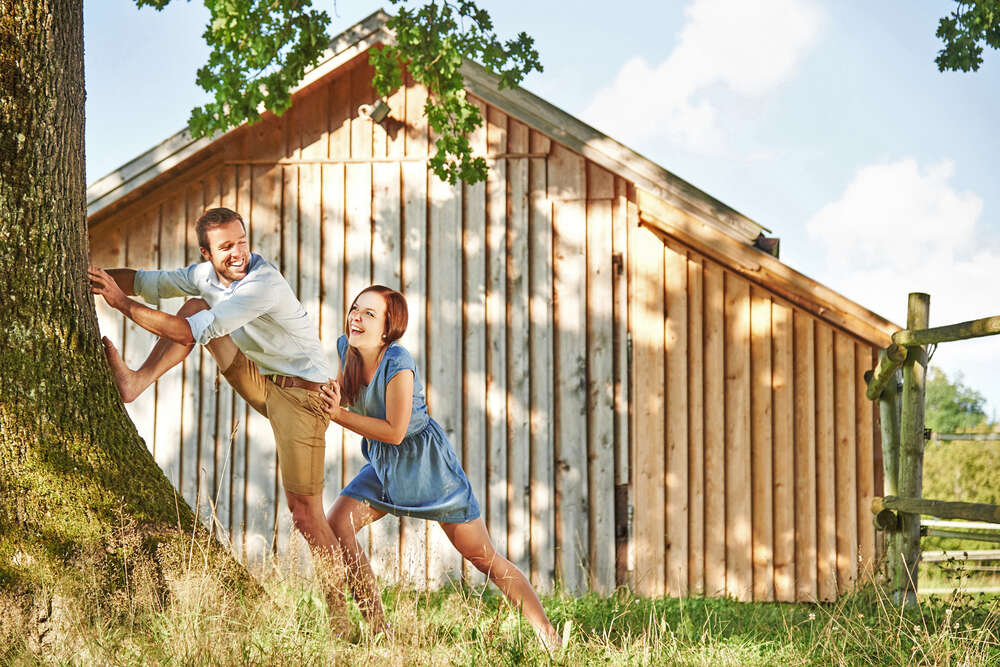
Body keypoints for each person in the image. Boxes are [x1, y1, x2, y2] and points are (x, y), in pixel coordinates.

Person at [88, 207, 350, 635]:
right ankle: (135, 383)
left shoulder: (262, 285)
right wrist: (91, 277)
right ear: (207, 253)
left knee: (305, 513)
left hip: (305, 399)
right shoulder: (204, 276)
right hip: (263, 380)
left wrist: (119, 304)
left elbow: (191, 333)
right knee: (193, 303)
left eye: (242, 241)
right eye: (226, 246)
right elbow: (144, 281)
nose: (239, 252)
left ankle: (341, 617)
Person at [319, 285, 561, 648]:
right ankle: (378, 631)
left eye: (369, 313)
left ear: (388, 328)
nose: (357, 316)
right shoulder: (346, 350)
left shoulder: (398, 362)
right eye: (355, 308)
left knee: (483, 558)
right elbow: (350, 395)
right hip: (385, 468)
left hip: (427, 469)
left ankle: (549, 637)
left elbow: (395, 432)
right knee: (338, 521)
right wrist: (335, 396)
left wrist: (338, 415)